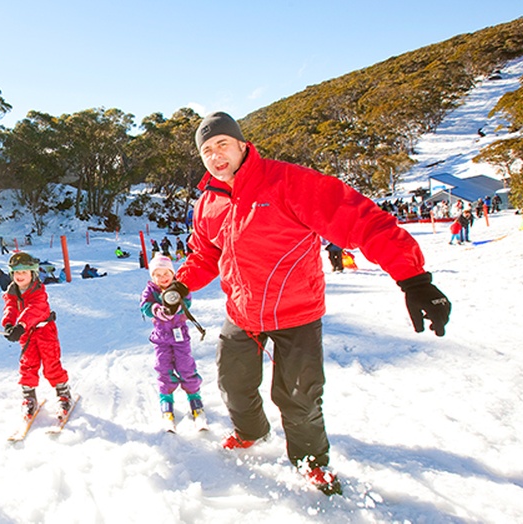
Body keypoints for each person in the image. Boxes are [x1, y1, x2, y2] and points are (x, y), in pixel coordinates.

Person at [172, 112, 451, 496]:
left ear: (241, 144)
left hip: (296, 311)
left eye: (222, 144)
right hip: (242, 311)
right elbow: (205, 254)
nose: (216, 156)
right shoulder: (208, 203)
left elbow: (363, 221)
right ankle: (251, 431)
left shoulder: (289, 182)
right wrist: (180, 285)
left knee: (300, 396)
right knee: (232, 383)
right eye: (207, 150)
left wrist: (414, 279)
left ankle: (310, 461)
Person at [1, 252, 73, 421]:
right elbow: (10, 307)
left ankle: (63, 392)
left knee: (51, 363)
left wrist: (21, 325)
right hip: (26, 334)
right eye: (17, 273)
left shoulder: (38, 291)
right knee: (28, 363)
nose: (20, 276)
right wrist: (9, 324)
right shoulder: (12, 291)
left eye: (24, 272)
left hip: (44, 331)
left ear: (32, 273)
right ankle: (29, 396)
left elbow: (35, 309)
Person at [140, 254, 205, 430]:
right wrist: (155, 309)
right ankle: (166, 401)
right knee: (163, 367)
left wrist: (177, 307)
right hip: (161, 337)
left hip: (179, 335)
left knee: (186, 366)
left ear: (172, 272)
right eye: (157, 275)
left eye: (166, 273)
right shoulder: (151, 290)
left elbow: (188, 300)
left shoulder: (179, 287)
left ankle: (195, 399)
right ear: (152, 277)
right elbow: (144, 305)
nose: (162, 278)